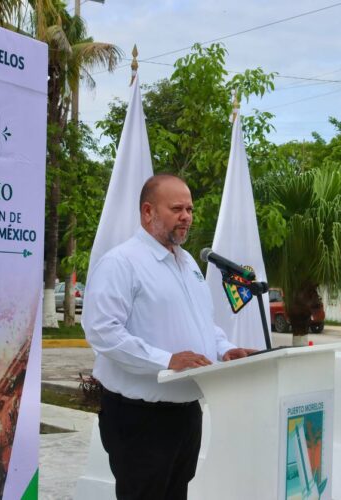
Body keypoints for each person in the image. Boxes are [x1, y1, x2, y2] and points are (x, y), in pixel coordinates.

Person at [83, 174, 254, 500]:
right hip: (141, 418)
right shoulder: (122, 263)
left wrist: (225, 350)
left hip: (186, 413)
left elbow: (202, 323)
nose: (186, 216)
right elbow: (103, 331)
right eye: (176, 208)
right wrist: (167, 361)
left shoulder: (187, 263)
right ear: (148, 212)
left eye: (189, 209)